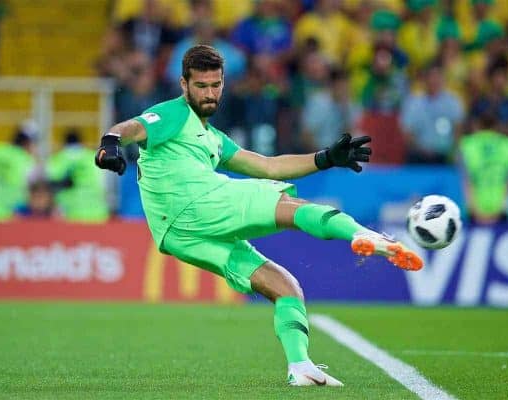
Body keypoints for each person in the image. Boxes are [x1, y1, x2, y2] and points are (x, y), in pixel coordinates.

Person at [95, 45, 423, 387]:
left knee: (285, 287)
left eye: (215, 85)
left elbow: (268, 165)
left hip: (177, 236)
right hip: (197, 204)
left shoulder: (212, 138)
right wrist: (111, 142)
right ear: (183, 85)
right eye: (201, 86)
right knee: (290, 207)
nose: (209, 93)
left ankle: (301, 367)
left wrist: (325, 158)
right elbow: (131, 127)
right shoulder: (173, 115)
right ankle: (363, 235)